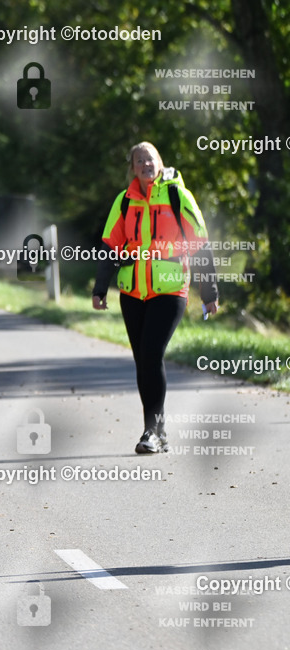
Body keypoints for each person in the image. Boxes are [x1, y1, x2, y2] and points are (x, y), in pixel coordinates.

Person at [92, 141, 219, 454]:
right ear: (133, 168)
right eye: (139, 160)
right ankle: (157, 431)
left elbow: (200, 244)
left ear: (160, 162)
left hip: (170, 290)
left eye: (150, 159)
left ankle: (152, 430)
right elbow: (110, 245)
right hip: (132, 292)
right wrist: (100, 288)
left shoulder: (178, 196)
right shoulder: (124, 201)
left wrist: (209, 292)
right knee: (143, 361)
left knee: (151, 354)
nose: (146, 164)